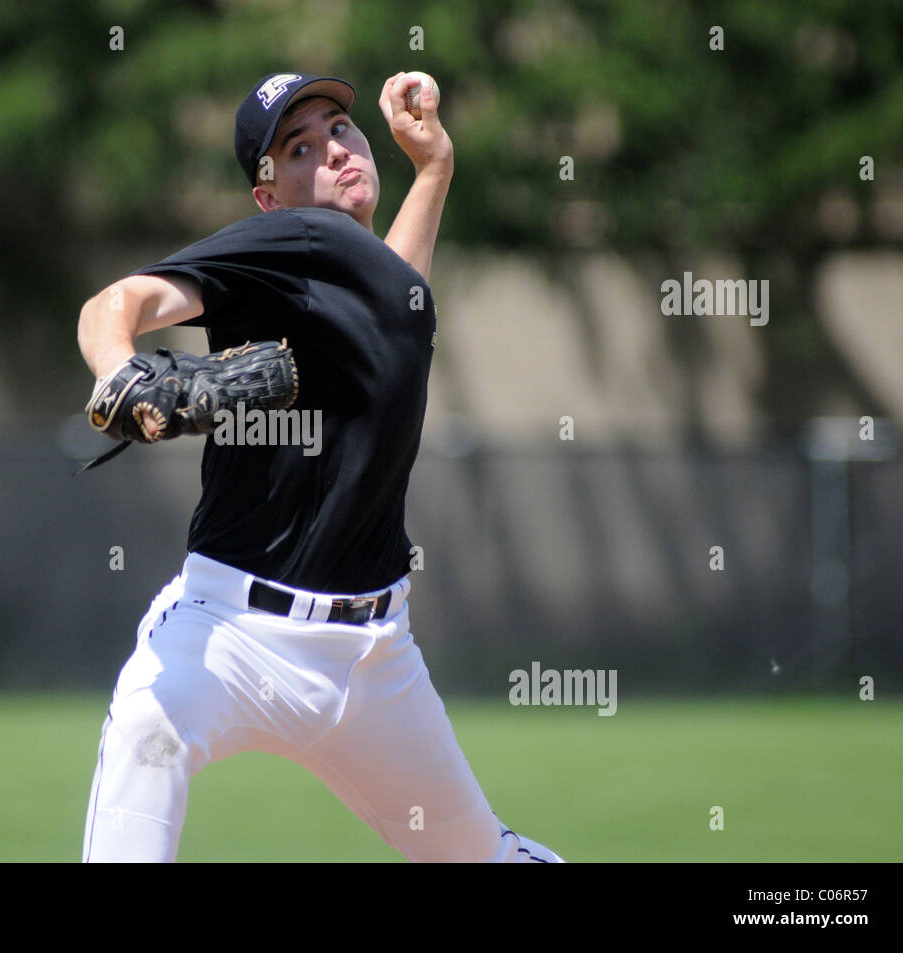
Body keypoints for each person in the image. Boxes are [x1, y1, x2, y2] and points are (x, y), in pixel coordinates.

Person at [76, 71, 564, 863]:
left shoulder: (371, 279)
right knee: (148, 733)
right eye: (299, 148)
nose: (334, 148)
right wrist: (119, 369)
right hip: (232, 631)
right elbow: (110, 307)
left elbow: (394, 298)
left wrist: (435, 167)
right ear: (269, 196)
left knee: (483, 857)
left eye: (340, 126)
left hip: (372, 657)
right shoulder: (292, 239)